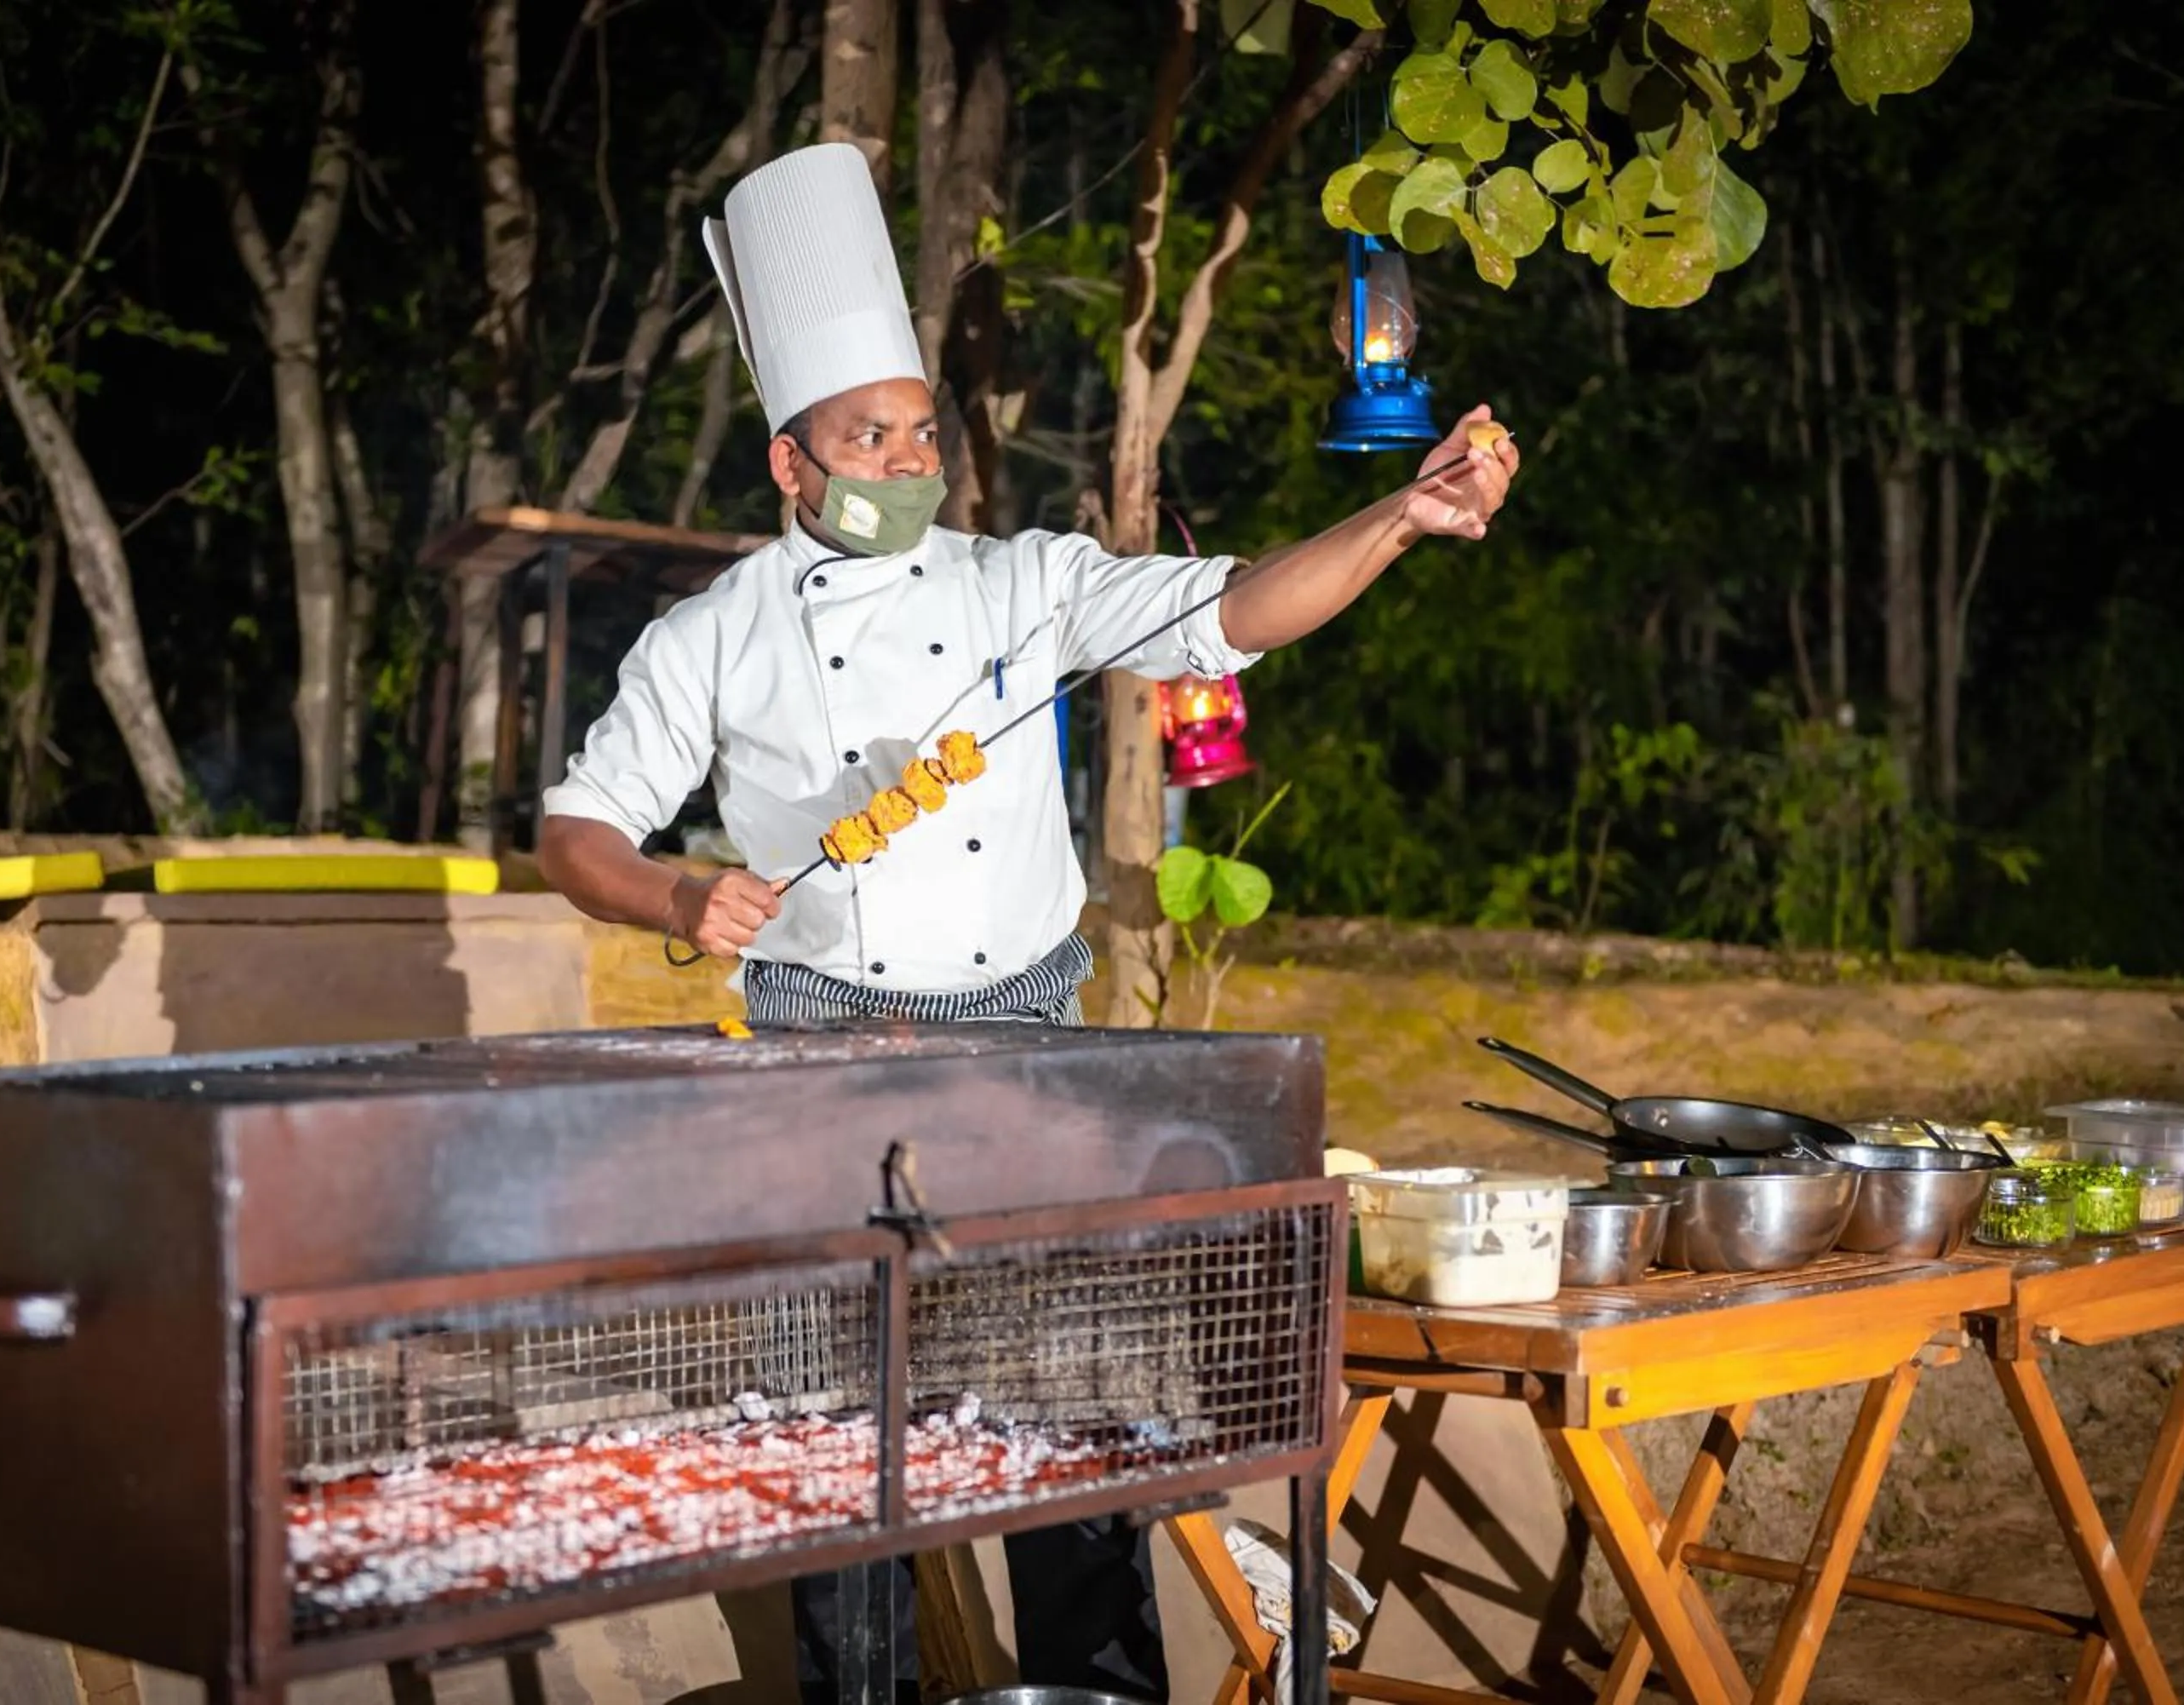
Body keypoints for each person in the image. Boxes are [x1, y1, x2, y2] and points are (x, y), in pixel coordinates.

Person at [537, 142, 1517, 1704]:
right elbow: (577, 828)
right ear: (792, 463)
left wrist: (1401, 518)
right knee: (841, 1442)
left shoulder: (1022, 584)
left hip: (1029, 1052)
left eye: (920, 430)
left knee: (1073, 1421)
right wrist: (676, 892)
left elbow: (1232, 610)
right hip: (825, 1070)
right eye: (869, 436)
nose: (908, 458)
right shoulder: (712, 633)